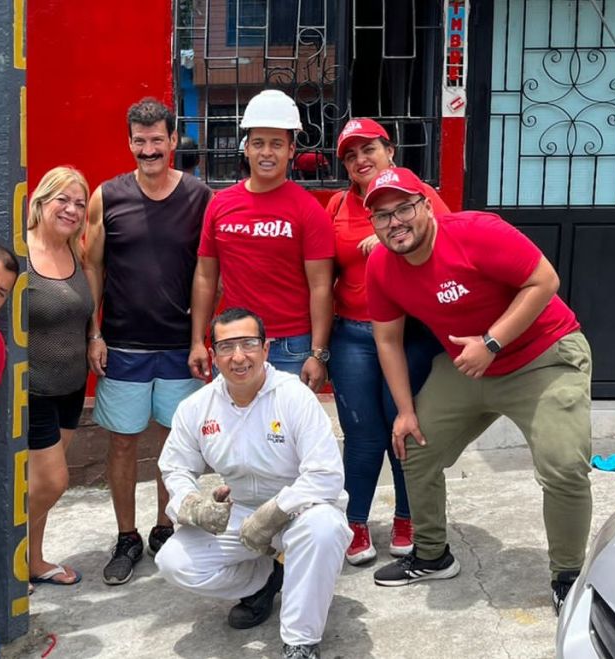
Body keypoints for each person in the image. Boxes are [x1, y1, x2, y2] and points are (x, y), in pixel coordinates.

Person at [362, 167, 593, 614]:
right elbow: (387, 339)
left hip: (540, 354)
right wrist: (405, 412)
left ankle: (569, 575)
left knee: (563, 466)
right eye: (382, 216)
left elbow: (545, 281)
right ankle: (431, 555)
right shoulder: (381, 266)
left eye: (404, 208)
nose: (395, 222)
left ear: (426, 206)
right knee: (415, 445)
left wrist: (493, 342)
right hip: (468, 365)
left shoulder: (476, 232)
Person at [156, 308, 351, 659]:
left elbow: (325, 475)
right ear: (213, 356)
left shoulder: (294, 397)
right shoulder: (196, 407)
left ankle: (300, 641)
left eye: (248, 343)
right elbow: (174, 467)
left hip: (301, 510)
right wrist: (192, 505)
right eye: (227, 347)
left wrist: (277, 511)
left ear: (266, 348)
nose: (239, 356)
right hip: (241, 512)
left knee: (323, 530)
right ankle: (265, 577)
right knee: (174, 561)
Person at [82, 98, 213, 585]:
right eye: (140, 141)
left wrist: (201, 337)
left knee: (174, 445)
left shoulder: (199, 197)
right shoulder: (106, 196)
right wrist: (94, 331)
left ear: (173, 140)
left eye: (158, 139)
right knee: (121, 443)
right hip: (123, 344)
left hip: (179, 346)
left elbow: (207, 272)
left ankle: (165, 528)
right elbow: (93, 265)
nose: (149, 149)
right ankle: (126, 536)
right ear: (130, 142)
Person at [326, 119, 448, 565]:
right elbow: (324, 276)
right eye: (350, 155)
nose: (360, 160)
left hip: (408, 333)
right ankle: (353, 521)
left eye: (368, 149)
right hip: (354, 334)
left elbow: (448, 247)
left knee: (404, 426)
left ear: (389, 149)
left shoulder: (420, 194)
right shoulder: (337, 205)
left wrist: (386, 243)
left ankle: (406, 515)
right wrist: (320, 347)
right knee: (362, 433)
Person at [189, 89, 334, 391]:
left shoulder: (308, 209)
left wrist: (317, 354)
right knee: (234, 433)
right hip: (235, 343)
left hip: (292, 346)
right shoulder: (220, 204)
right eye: (258, 143)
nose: (267, 152)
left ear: (292, 149)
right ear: (246, 148)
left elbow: (321, 286)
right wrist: (198, 342)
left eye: (276, 144)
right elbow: (205, 276)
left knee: (285, 435)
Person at [25, 166, 93, 586]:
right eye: (62, 200)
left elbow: (82, 312)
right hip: (32, 390)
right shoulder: (20, 253)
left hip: (71, 385)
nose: (71, 209)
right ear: (40, 203)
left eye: (79, 204)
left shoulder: (77, 251)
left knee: (41, 487)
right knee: (52, 481)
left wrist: (96, 336)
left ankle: (32, 559)